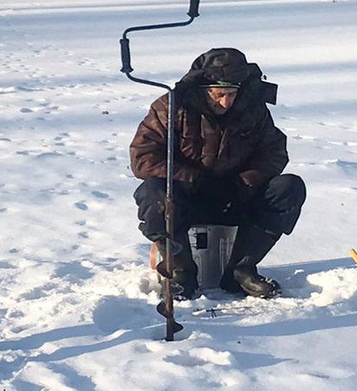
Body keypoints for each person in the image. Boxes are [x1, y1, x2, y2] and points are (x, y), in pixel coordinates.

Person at [130, 48, 306, 299]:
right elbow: (142, 157)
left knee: (289, 187)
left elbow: (274, 153)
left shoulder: (253, 110)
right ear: (204, 89)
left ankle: (241, 270)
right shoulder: (171, 107)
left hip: (236, 196)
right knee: (152, 192)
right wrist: (192, 178)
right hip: (185, 198)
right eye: (219, 94)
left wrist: (243, 183)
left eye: (232, 93)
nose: (226, 101)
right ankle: (182, 272)